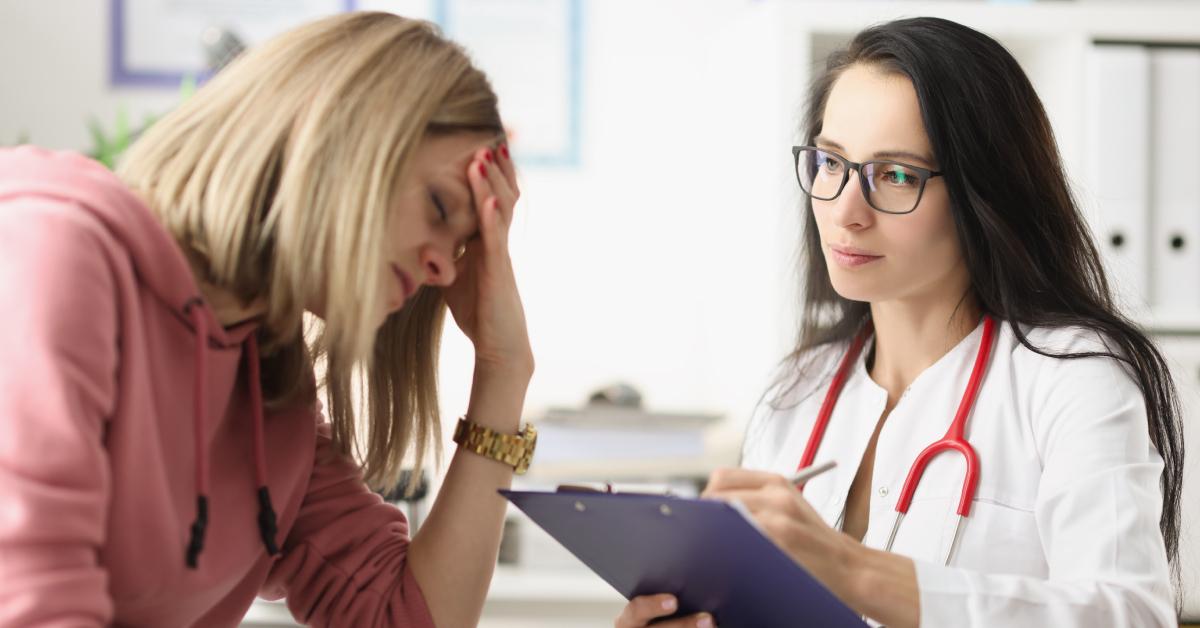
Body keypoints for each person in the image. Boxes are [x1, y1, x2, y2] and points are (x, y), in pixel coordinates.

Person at [617, 17, 1183, 628]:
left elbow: (1131, 613)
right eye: (830, 163)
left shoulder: (1071, 376)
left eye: (896, 175)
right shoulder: (800, 389)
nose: (845, 211)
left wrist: (853, 570)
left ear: (983, 191)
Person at [0, 12, 536, 627]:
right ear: (331, 133)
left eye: (463, 246)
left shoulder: (272, 394)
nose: (443, 269)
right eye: (440, 205)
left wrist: (503, 369)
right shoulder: (52, 256)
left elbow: (408, 618)